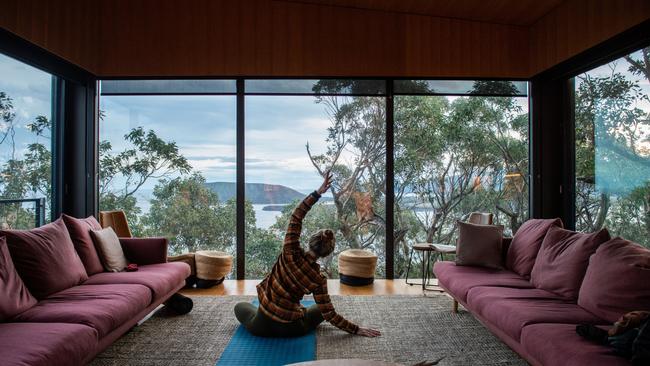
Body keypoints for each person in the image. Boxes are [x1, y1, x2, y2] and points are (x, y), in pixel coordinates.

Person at [234, 172, 381, 338]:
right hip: (291, 329)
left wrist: (318, 192)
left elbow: (297, 215)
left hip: (261, 324)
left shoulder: (290, 250)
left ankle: (282, 315)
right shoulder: (318, 279)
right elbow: (330, 315)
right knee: (320, 309)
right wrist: (356, 329)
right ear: (327, 253)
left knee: (239, 307)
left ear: (311, 240)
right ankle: (298, 314)